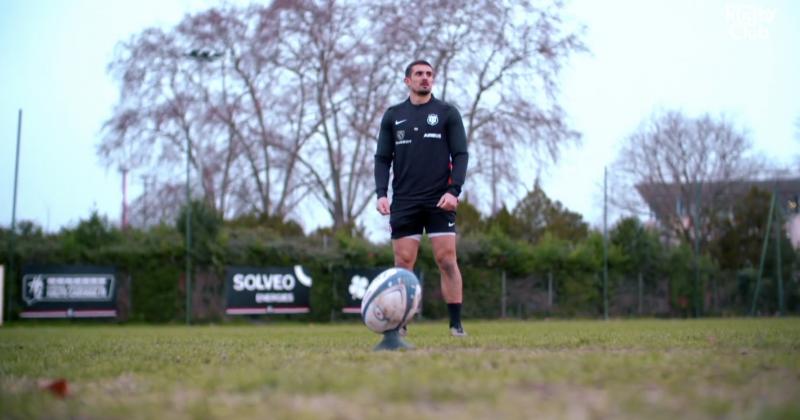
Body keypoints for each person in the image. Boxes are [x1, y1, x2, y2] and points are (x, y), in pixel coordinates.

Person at [374, 59, 469, 337]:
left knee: (446, 260)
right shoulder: (393, 116)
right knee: (403, 263)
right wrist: (381, 194)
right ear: (407, 81)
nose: (425, 78)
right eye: (418, 74)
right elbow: (382, 158)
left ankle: (455, 325)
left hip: (440, 199)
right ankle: (399, 324)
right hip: (404, 201)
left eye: (429, 74)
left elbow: (461, 155)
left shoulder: (447, 113)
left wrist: (454, 191)